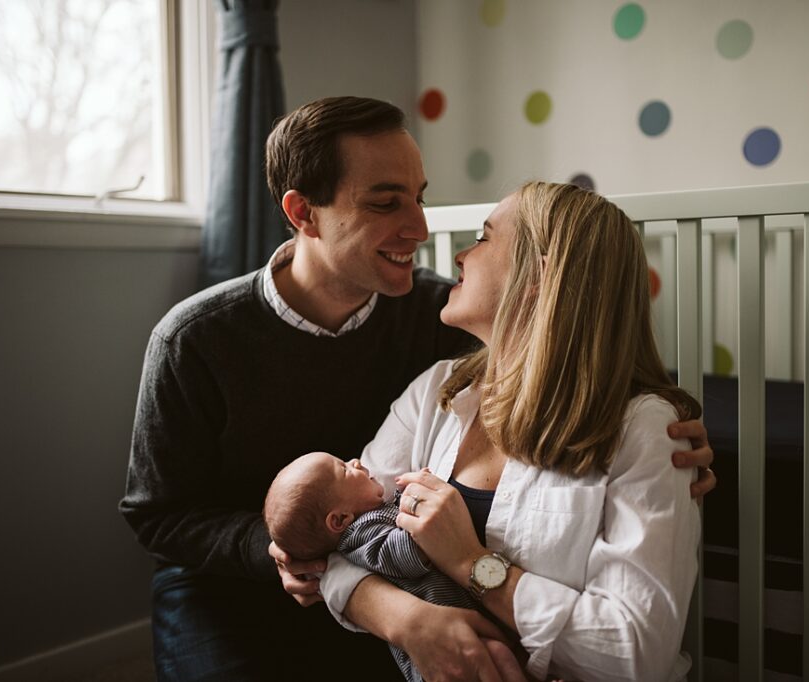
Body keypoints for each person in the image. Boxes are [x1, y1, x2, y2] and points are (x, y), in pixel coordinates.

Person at [121, 95, 715, 681]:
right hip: (235, 582)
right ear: (304, 213)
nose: (422, 228)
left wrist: (667, 438)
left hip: (372, 570)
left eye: (419, 197)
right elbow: (161, 515)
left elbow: (571, 351)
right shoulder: (194, 339)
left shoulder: (440, 314)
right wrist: (299, 556)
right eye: (385, 203)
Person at [287, 181, 704, 681]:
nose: (460, 255)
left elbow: (634, 653)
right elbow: (339, 550)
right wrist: (410, 622)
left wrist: (472, 563)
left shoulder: (644, 429)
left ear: (539, 276)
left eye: (483, 238)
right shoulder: (436, 392)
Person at [263, 452, 528, 682]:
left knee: (503, 656)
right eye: (344, 469)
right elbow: (399, 556)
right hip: (438, 654)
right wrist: (426, 513)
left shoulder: (374, 517)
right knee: (498, 658)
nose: (355, 462)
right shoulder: (359, 535)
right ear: (340, 519)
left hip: (460, 626)